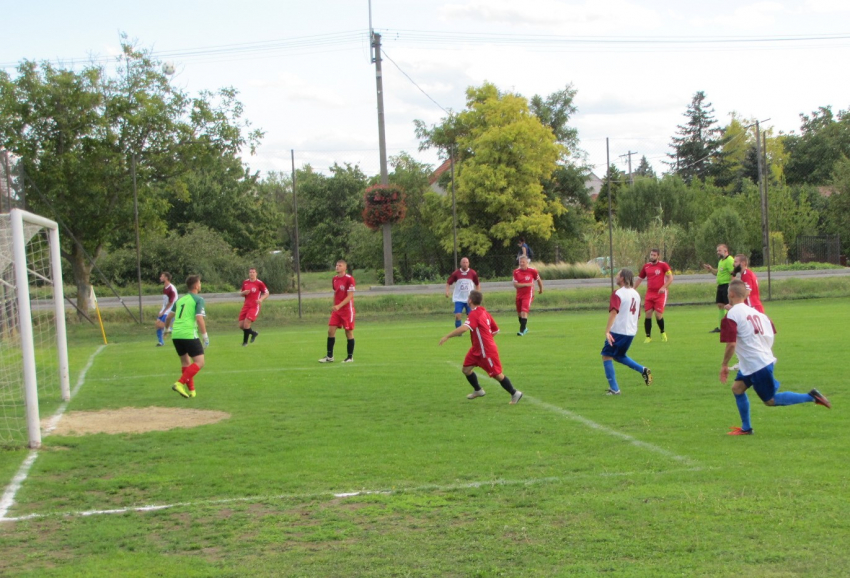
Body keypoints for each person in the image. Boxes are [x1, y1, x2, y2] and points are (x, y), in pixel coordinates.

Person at [719, 279, 831, 435]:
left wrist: (724, 365)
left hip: (757, 364)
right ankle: (746, 428)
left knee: (770, 400)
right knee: (737, 389)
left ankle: (811, 396)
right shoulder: (755, 312)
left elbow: (731, 344)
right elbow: (770, 329)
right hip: (754, 362)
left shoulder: (732, 315)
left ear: (730, 294)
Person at [439, 290, 523, 404]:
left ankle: (515, 393)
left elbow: (464, 328)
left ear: (470, 300)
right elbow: (495, 330)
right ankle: (478, 390)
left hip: (486, 351)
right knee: (466, 369)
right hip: (476, 350)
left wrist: (447, 336)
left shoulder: (475, 313)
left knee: (497, 375)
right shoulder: (484, 312)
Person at [156, 275, 208, 399]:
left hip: (176, 334)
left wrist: (167, 329)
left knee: (185, 362)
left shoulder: (180, 300)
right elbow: (199, 318)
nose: (200, 285)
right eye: (199, 283)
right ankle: (180, 383)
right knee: (200, 362)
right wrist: (205, 336)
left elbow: (168, 317)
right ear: (196, 286)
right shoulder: (198, 299)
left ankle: (191, 391)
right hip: (188, 334)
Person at [602, 268, 653, 395]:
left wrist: (607, 331)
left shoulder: (618, 293)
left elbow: (614, 312)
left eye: (618, 275)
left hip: (618, 331)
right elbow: (639, 315)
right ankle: (643, 370)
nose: (616, 276)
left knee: (606, 355)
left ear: (622, 278)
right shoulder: (636, 294)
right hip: (630, 332)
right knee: (619, 356)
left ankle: (614, 389)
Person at [319, 259, 356, 363]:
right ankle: (329, 356)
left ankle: (350, 357)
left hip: (347, 310)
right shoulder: (334, 279)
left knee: (348, 332)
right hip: (337, 310)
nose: (337, 267)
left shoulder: (349, 279)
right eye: (336, 265)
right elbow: (336, 293)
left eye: (339, 265)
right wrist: (335, 305)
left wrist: (339, 305)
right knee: (330, 331)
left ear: (345, 267)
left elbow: (350, 296)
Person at [634, 249, 673, 343]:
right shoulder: (646, 267)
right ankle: (648, 337)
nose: (652, 256)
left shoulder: (663, 265)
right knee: (648, 314)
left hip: (660, 294)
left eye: (654, 255)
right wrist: (632, 289)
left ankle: (663, 333)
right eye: (651, 255)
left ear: (658, 256)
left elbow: (670, 278)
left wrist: (664, 287)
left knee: (658, 315)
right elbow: (639, 279)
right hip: (650, 293)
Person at [702, 244, 735, 333]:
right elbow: (717, 272)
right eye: (717, 251)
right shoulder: (721, 261)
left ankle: (730, 326)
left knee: (729, 306)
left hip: (726, 286)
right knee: (720, 305)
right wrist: (711, 269)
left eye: (719, 251)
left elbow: (733, 273)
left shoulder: (729, 260)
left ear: (725, 250)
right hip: (720, 286)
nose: (718, 252)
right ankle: (721, 327)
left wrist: (731, 287)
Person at [445, 257, 481, 328]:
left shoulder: (472, 273)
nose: (465, 264)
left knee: (471, 316)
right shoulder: (456, 273)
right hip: (459, 298)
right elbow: (448, 283)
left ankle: (473, 330)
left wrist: (477, 294)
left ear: (469, 263)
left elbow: (477, 284)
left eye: (466, 262)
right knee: (458, 315)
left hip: (469, 299)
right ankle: (458, 331)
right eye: (463, 262)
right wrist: (447, 291)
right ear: (460, 263)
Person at [513, 255, 543, 336]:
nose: (521, 264)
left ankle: (522, 331)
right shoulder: (516, 272)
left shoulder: (533, 271)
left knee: (524, 311)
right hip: (519, 295)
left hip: (528, 295)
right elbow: (515, 285)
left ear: (527, 263)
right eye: (520, 262)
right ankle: (525, 328)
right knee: (519, 313)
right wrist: (527, 284)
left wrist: (541, 289)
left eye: (523, 262)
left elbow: (538, 280)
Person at [238, 267, 269, 346]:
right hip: (246, 305)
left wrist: (261, 299)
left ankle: (245, 343)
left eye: (253, 272)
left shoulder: (259, 283)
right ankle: (254, 333)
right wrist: (244, 292)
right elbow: (241, 293)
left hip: (254, 306)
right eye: (250, 272)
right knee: (241, 326)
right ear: (249, 274)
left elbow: (267, 293)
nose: (251, 274)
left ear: (256, 273)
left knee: (246, 324)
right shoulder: (245, 282)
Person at [156, 271, 178, 347]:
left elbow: (171, 302)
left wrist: (164, 311)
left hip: (170, 309)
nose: (160, 277)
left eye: (162, 276)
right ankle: (161, 342)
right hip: (165, 308)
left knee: (162, 325)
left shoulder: (171, 288)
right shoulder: (165, 287)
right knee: (157, 325)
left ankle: (171, 329)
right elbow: (166, 301)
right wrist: (162, 310)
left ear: (166, 278)